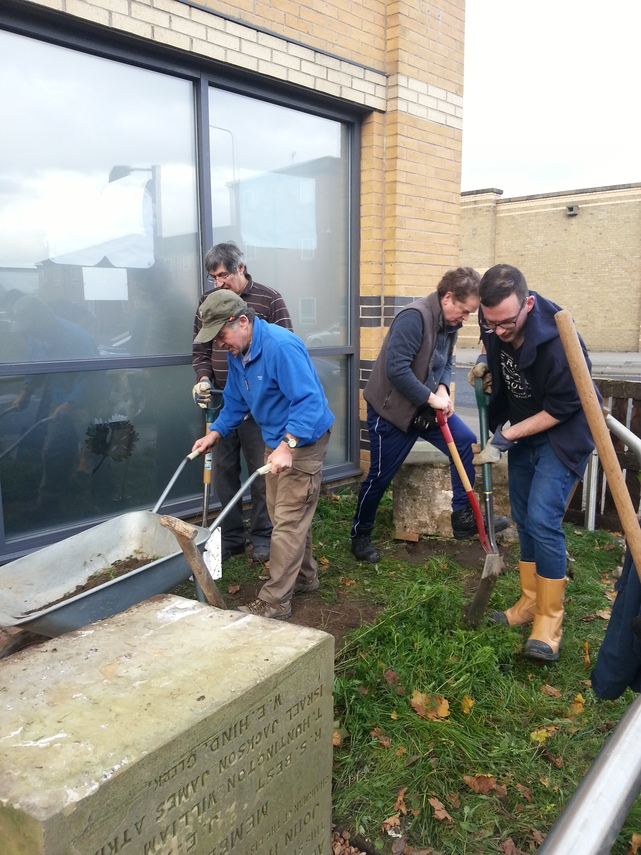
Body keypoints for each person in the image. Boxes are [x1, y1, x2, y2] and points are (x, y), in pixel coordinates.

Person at [472, 263, 596, 662]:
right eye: (492, 324)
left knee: (543, 519)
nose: (500, 330)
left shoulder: (560, 342)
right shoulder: (494, 319)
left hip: (560, 433)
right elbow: (493, 340)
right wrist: (485, 361)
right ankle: (528, 603)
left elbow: (563, 408)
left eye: (507, 322)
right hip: (524, 427)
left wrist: (506, 436)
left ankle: (549, 620)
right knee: (524, 518)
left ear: (528, 303)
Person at [350, 267, 509, 563]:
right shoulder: (414, 318)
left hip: (426, 408)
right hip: (392, 411)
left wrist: (445, 390)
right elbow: (396, 370)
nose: (465, 318)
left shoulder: (450, 323)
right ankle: (361, 533)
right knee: (380, 477)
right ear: (448, 297)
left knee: (464, 441)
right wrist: (431, 397)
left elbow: (446, 361)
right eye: (463, 311)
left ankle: (461, 516)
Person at [192, 289, 334, 620]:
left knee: (286, 520)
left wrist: (288, 445)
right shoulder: (238, 352)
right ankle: (305, 577)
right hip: (277, 438)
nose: (219, 344)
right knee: (287, 514)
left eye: (221, 335)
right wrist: (216, 432)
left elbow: (309, 401)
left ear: (242, 321)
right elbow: (236, 400)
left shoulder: (280, 347)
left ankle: (274, 601)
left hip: (303, 439)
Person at [192, 242, 293, 563]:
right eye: (213, 278)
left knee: (262, 471)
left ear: (240, 268)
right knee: (223, 471)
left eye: (223, 275)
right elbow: (201, 351)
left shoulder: (269, 299)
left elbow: (287, 351)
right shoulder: (208, 304)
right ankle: (231, 535)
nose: (218, 283)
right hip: (223, 403)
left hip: (260, 407)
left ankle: (262, 536)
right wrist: (204, 379)